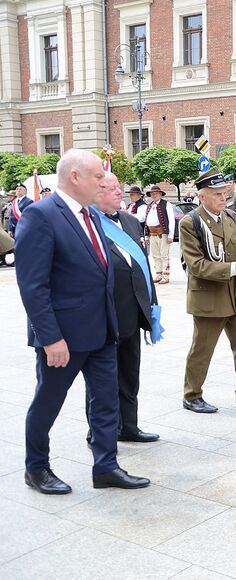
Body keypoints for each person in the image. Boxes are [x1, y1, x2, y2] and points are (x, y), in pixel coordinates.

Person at [15, 149, 150, 494]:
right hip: (63, 337)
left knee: (105, 402)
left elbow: (101, 273)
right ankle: (37, 468)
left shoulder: (90, 215)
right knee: (48, 402)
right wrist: (50, 338)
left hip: (103, 331)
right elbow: (33, 285)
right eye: (97, 176)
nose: (104, 182)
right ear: (74, 177)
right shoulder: (42, 215)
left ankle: (106, 466)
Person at [179, 168, 236, 414]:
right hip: (209, 298)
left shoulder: (231, 217)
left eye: (224, 193)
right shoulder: (191, 222)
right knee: (202, 349)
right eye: (217, 194)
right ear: (202, 196)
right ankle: (192, 395)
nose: (222, 198)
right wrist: (232, 267)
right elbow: (196, 265)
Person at [91, 173, 160, 442]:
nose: (119, 193)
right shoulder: (88, 223)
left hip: (133, 312)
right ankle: (98, 430)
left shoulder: (130, 220)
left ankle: (129, 426)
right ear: (95, 193)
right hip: (104, 314)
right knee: (102, 378)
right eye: (111, 189)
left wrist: (152, 305)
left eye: (119, 188)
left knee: (130, 373)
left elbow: (142, 265)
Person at [144, 184, 175, 284]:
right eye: (152, 193)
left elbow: (171, 220)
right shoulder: (149, 206)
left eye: (156, 193)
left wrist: (170, 235)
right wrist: (146, 236)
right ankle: (159, 274)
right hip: (152, 233)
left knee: (164, 255)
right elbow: (146, 221)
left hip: (162, 233)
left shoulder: (166, 204)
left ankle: (165, 276)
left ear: (160, 194)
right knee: (156, 255)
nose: (154, 195)